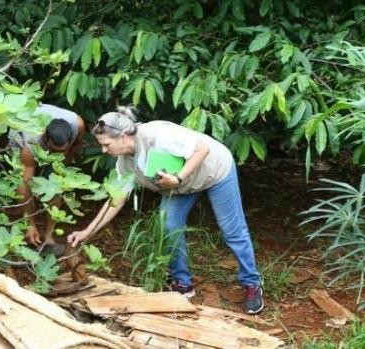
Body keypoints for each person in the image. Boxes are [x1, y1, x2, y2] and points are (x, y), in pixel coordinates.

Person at [66, 106, 264, 314]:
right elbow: (116, 200)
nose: (105, 150)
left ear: (123, 137)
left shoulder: (157, 134)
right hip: (180, 186)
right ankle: (182, 283)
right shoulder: (125, 162)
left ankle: (251, 283)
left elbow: (202, 149)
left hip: (214, 170)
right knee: (168, 226)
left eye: (106, 144)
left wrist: (178, 178)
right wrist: (86, 232)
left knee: (232, 230)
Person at [9, 104, 86, 255]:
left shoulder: (78, 124)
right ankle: (29, 229)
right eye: (53, 150)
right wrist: (29, 223)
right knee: (24, 179)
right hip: (21, 129)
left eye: (61, 151)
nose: (56, 154)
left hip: (50, 134)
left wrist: (61, 167)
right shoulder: (31, 142)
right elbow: (24, 182)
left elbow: (77, 145)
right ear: (45, 138)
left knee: (54, 186)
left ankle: (48, 235)